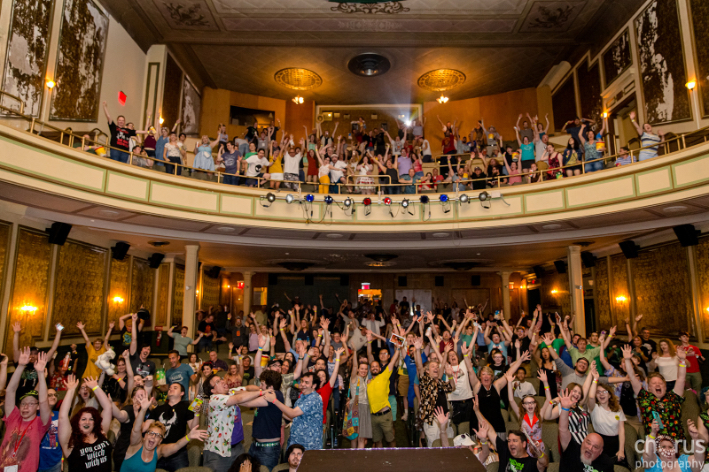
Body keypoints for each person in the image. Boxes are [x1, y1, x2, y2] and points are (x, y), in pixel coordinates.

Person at [121, 394, 208, 472]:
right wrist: (143, 410)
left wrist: (189, 436)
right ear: (145, 436)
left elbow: (176, 446)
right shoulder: (135, 446)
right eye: (151, 433)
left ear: (160, 441)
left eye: (158, 435)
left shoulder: (158, 451)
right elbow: (136, 429)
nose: (153, 437)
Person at [0, 348, 52, 472]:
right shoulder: (13, 417)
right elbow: (10, 391)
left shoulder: (40, 424)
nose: (25, 407)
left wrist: (40, 374)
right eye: (23, 404)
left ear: (37, 406)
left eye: (30, 404)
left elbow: (44, 401)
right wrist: (20, 366)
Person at [623, 343, 688, 440]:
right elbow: (632, 377)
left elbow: (681, 378)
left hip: (675, 442)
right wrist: (627, 360)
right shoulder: (644, 397)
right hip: (653, 442)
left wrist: (682, 360)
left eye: (660, 383)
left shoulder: (673, 397)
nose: (657, 385)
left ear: (665, 387)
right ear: (648, 388)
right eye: (654, 383)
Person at [202, 374, 265, 472]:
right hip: (218, 451)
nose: (223, 381)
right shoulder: (214, 399)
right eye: (218, 382)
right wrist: (262, 392)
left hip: (237, 447)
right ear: (212, 390)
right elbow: (239, 399)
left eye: (221, 379)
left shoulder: (230, 392)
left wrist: (260, 388)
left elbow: (247, 388)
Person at [57, 374, 113, 472]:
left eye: (91, 419)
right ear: (77, 422)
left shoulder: (101, 433)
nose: (87, 421)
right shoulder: (71, 441)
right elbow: (62, 417)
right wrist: (70, 391)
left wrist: (96, 387)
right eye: (83, 419)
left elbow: (108, 408)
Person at [558, 387, 615, 472]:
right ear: (583, 441)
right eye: (588, 443)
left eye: (595, 447)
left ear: (600, 451)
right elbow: (563, 430)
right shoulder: (572, 450)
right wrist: (565, 408)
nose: (590, 448)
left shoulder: (606, 463)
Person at [264, 372, 323, 451]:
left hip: (309, 445)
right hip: (296, 442)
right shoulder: (301, 398)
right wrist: (276, 409)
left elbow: (292, 413)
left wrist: (274, 401)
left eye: (307, 382)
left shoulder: (314, 399)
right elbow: (293, 418)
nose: (303, 384)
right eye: (302, 381)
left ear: (314, 386)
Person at [241, 370, 284, 471]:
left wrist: (230, 400)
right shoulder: (269, 395)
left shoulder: (275, 395)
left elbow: (248, 403)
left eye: (263, 384)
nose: (260, 387)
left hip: (268, 449)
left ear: (271, 387)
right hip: (256, 445)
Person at [587, 366, 627, 465]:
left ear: (609, 395)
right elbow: (590, 396)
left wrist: (621, 449)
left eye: (604, 391)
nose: (601, 394)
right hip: (599, 444)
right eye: (598, 392)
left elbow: (621, 430)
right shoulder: (594, 408)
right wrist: (595, 379)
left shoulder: (618, 408)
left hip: (616, 443)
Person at [642, 418, 706, 472]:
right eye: (663, 447)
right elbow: (647, 454)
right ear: (657, 450)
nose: (667, 450)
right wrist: (653, 433)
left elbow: (699, 464)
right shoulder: (654, 462)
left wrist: (695, 438)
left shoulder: (683, 461)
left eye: (670, 447)